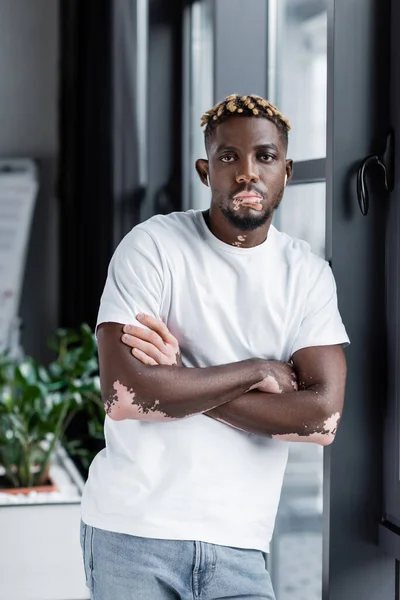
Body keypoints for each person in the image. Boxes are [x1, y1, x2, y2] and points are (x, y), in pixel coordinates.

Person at [80, 93, 349, 600]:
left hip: (240, 544)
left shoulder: (306, 274)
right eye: (229, 157)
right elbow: (124, 395)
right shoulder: (153, 245)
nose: (247, 173)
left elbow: (322, 419)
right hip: (132, 533)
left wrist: (181, 375)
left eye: (265, 157)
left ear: (286, 172)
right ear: (206, 171)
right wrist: (257, 369)